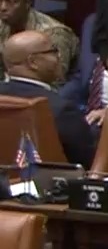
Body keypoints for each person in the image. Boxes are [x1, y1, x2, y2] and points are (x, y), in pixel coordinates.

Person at [0, 31, 96, 167]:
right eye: (53, 51)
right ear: (33, 62)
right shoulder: (61, 110)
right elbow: (87, 162)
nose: (59, 57)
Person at [0, 0, 77, 84]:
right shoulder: (2, 24)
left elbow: (56, 78)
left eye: (11, 1)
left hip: (55, 90)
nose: (3, 7)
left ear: (27, 2)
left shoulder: (53, 32)